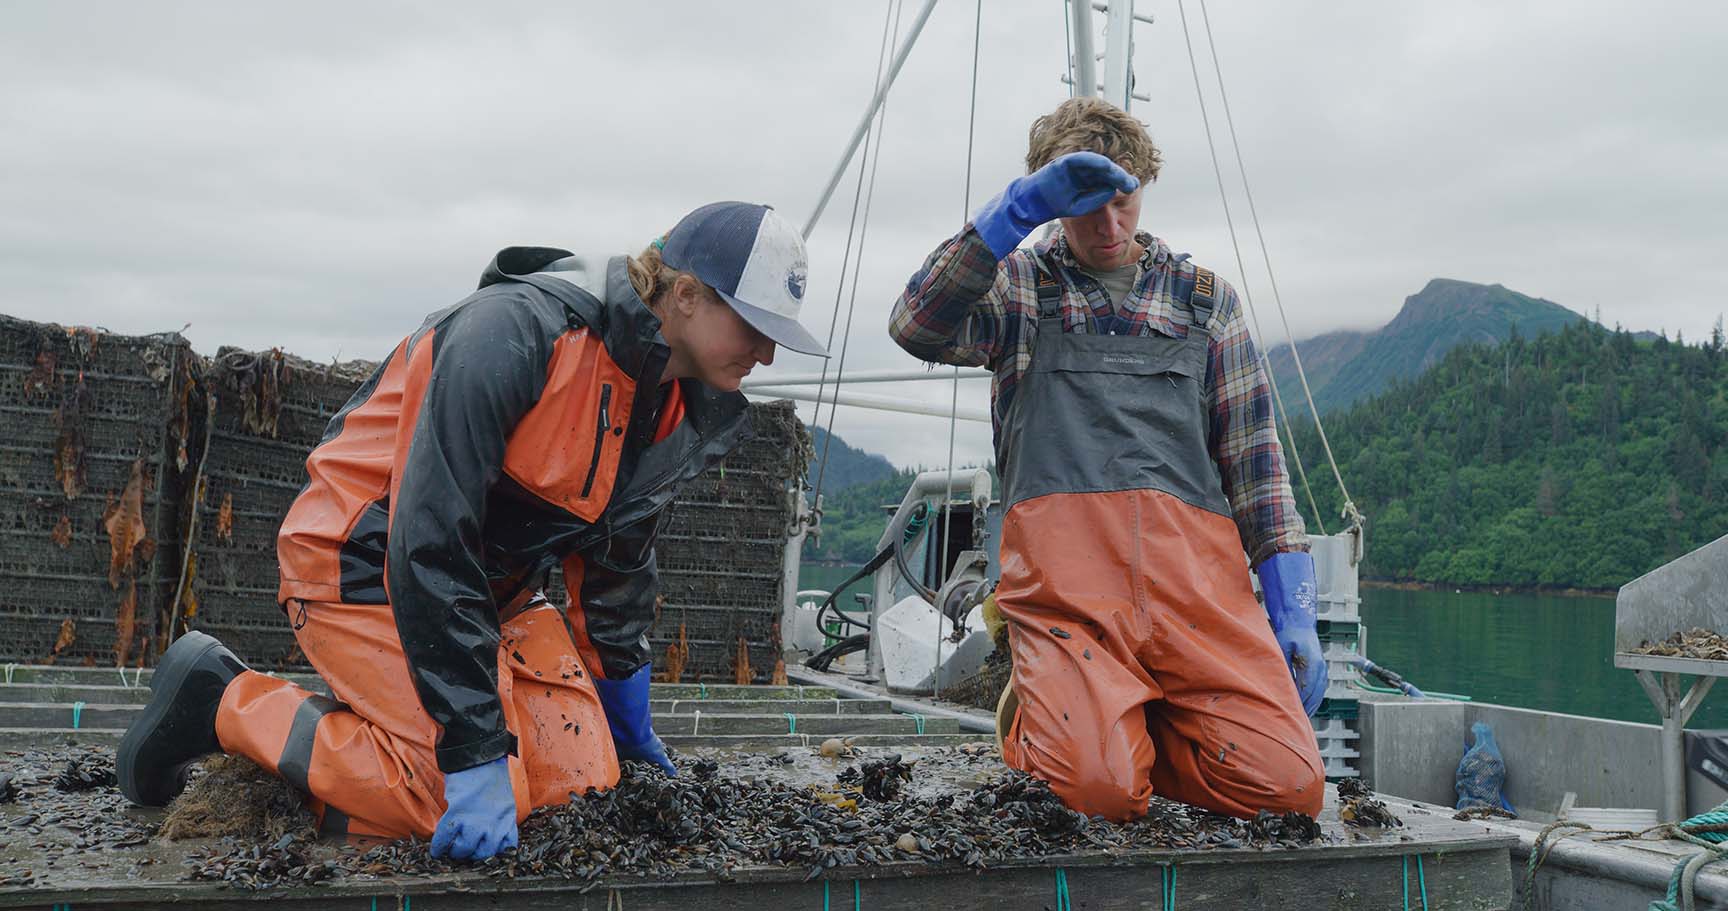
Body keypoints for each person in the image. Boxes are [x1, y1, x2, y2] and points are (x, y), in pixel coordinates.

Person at [118, 201, 827, 861]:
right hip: (363, 557)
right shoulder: (517, 331)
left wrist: (627, 717)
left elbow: (616, 563)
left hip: (492, 593)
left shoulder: (675, 401)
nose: (766, 353)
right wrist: (473, 751)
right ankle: (224, 700)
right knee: (445, 790)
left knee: (577, 787)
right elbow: (428, 537)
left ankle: (375, 743)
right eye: (754, 326)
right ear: (685, 294)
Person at [889, 97, 1326, 822]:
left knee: (1288, 787)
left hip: (1197, 607)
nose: (1109, 225)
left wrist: (1293, 603)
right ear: (1053, 202)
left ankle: (1128, 727)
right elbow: (915, 324)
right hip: (1072, 607)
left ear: (1144, 185)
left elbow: (1257, 467)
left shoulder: (1206, 303)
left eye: (1122, 200)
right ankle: (1051, 720)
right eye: (1084, 205)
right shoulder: (1022, 292)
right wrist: (1008, 216)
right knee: (1096, 792)